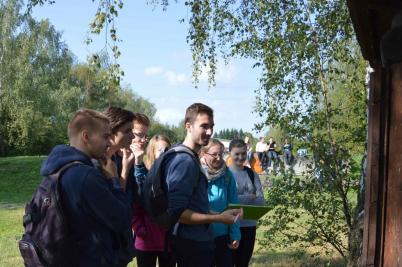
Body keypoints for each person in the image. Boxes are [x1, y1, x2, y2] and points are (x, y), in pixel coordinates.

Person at [40, 109, 132, 266]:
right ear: (86, 137)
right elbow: (121, 219)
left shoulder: (57, 168)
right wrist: (114, 179)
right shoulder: (85, 176)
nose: (109, 142)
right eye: (105, 136)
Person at [164, 103, 242, 267]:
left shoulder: (189, 158)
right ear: (188, 126)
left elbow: (196, 206)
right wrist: (218, 217)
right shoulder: (184, 161)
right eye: (204, 126)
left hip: (200, 240)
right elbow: (178, 213)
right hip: (191, 242)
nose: (209, 131)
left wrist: (226, 218)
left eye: (211, 126)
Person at [131, 116, 176, 267]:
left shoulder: (174, 177)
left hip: (167, 240)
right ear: (152, 152)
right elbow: (136, 203)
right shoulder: (145, 174)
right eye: (160, 150)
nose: (164, 153)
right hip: (146, 240)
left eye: (167, 149)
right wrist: (140, 229)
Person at [102, 106, 137, 266]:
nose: (132, 135)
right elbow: (113, 208)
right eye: (127, 130)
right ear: (110, 132)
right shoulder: (95, 163)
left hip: (116, 243)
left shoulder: (116, 159)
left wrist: (125, 169)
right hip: (103, 247)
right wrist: (124, 171)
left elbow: (120, 197)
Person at [200, 139, 241, 267]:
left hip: (223, 236)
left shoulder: (227, 175)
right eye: (214, 154)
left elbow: (234, 206)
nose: (219, 158)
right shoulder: (195, 173)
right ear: (203, 154)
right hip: (200, 237)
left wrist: (235, 234)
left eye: (221, 154)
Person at [228, 139, 265, 267]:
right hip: (230, 226)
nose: (241, 157)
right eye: (237, 154)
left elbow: (260, 201)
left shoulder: (252, 173)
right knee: (229, 262)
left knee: (243, 263)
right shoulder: (225, 174)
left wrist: (238, 199)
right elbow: (225, 202)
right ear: (230, 153)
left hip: (249, 225)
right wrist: (250, 196)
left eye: (243, 153)